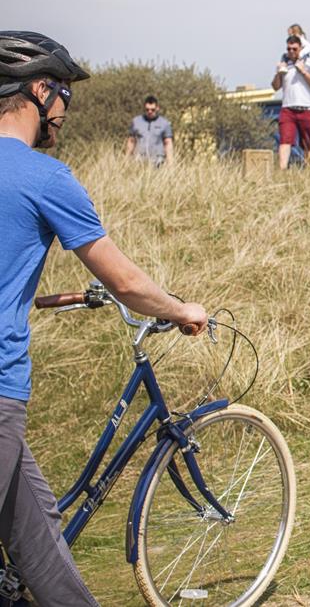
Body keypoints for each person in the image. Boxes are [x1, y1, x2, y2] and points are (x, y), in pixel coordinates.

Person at [0, 31, 209, 606]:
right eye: (63, 90)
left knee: (38, 540)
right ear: (39, 90)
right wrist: (180, 308)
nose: (65, 106)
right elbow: (126, 282)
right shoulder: (45, 178)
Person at [271, 35, 310, 169]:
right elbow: (275, 86)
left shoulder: (309, 61)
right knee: (285, 140)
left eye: (294, 49)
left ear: (300, 48)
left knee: (308, 143)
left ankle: (309, 171)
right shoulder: (284, 63)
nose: (291, 52)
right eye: (289, 49)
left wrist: (304, 72)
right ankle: (282, 170)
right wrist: (279, 74)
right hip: (288, 108)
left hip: (306, 108)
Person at [125, 94, 173, 166]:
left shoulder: (164, 123)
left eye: (152, 110)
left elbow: (168, 143)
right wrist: (126, 160)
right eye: (147, 109)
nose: (150, 112)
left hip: (158, 163)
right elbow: (131, 141)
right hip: (139, 162)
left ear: (157, 108)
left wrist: (170, 163)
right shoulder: (136, 121)